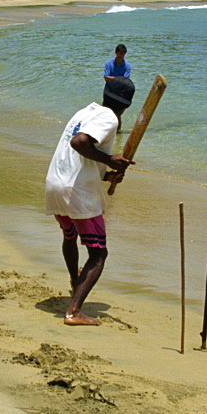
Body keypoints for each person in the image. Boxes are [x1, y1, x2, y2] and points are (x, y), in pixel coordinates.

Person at [45, 76, 135, 326]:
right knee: (98, 253)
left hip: (56, 182)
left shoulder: (86, 111)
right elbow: (79, 143)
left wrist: (106, 174)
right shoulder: (110, 118)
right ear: (126, 106)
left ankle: (76, 283)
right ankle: (73, 312)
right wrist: (109, 160)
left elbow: (81, 155)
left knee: (70, 236)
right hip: (76, 192)